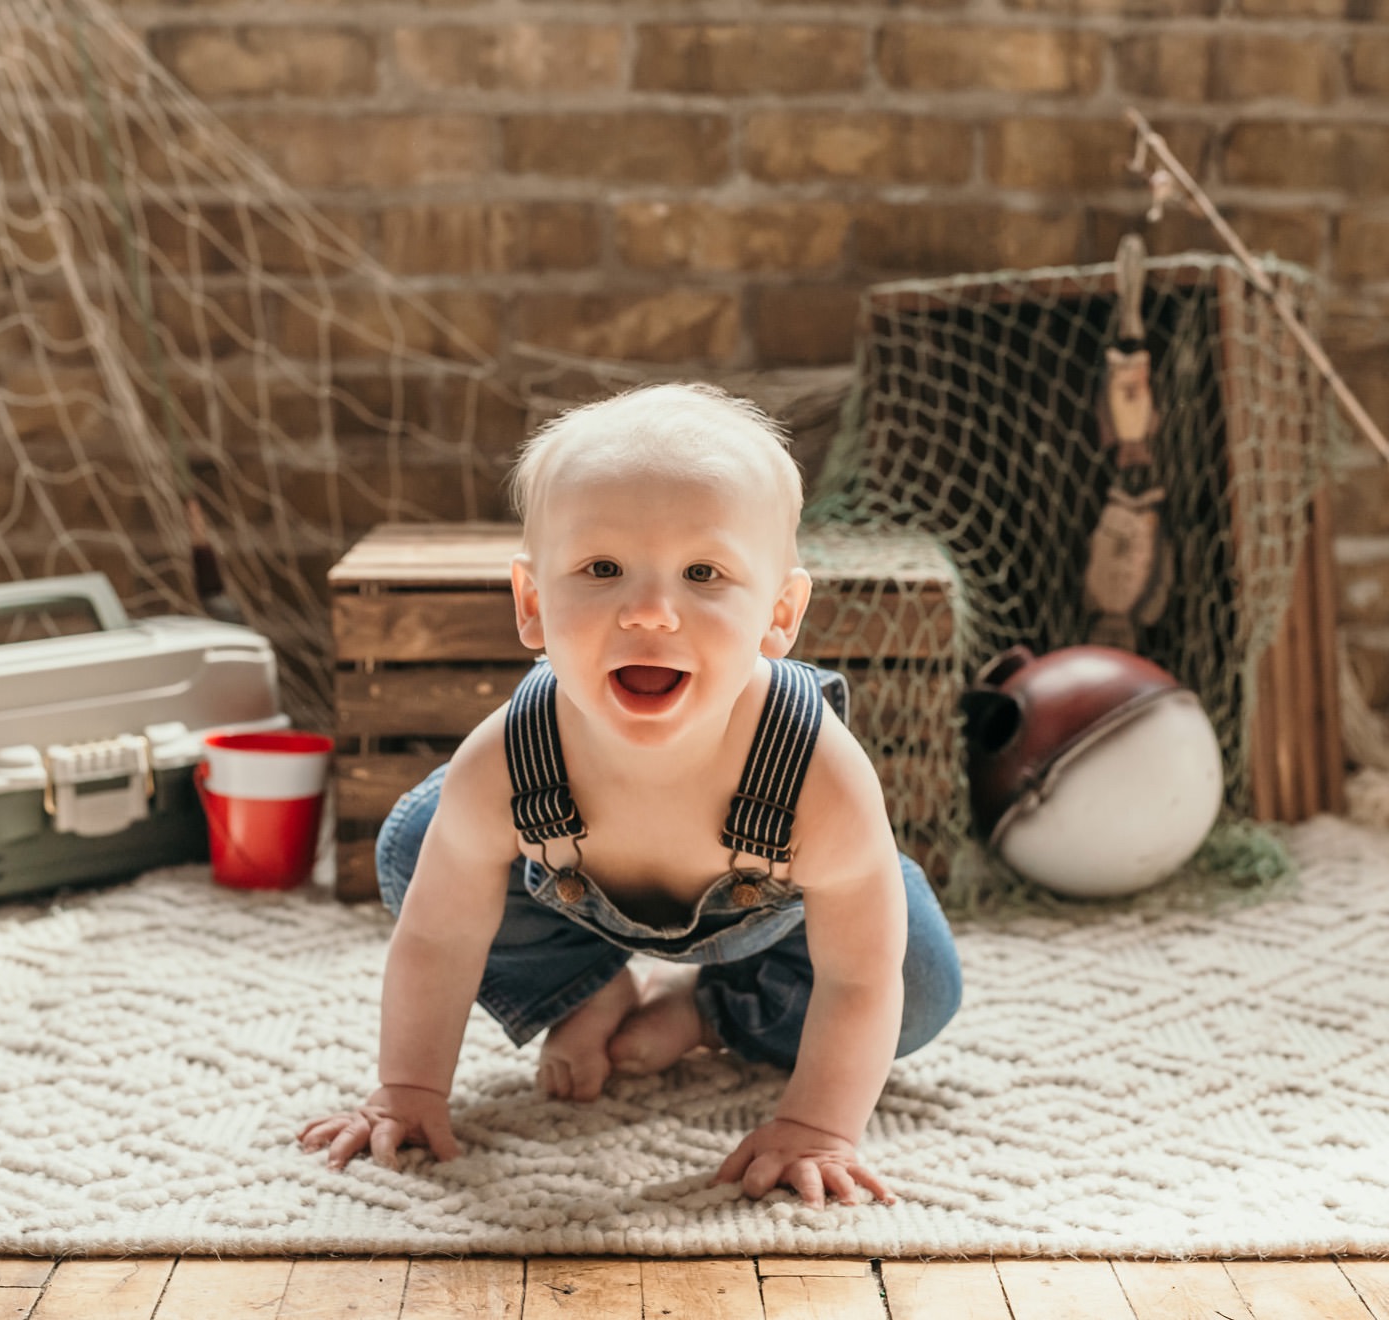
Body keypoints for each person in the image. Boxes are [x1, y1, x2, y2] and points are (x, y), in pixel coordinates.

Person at [300, 384, 962, 1207]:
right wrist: (407, 1089)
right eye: (602, 569)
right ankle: (587, 984)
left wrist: (819, 1127)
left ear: (780, 614)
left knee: (918, 985)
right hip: (579, 900)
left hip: (787, 922)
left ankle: (711, 1012)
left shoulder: (817, 773)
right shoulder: (512, 755)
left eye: (704, 573)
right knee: (419, 850)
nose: (650, 612)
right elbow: (436, 940)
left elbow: (859, 980)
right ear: (533, 604)